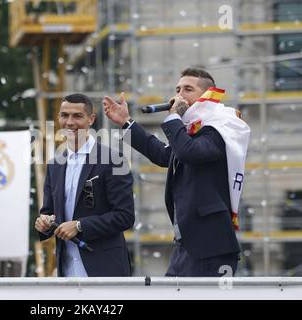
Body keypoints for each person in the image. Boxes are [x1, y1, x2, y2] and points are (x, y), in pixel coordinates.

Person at [103, 67, 250, 277]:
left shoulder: (221, 127)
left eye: (188, 89)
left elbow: (189, 153)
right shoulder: (192, 130)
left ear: (208, 94)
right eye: (177, 89)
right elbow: (165, 156)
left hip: (210, 245)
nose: (179, 95)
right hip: (188, 242)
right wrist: (126, 123)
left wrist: (173, 119)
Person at [34, 93, 135, 277]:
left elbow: (125, 216)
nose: (69, 122)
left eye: (77, 116)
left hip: (105, 269)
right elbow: (49, 211)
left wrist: (80, 226)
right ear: (58, 118)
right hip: (66, 270)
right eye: (64, 115)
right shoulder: (54, 165)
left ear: (91, 119)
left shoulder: (114, 159)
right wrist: (44, 222)